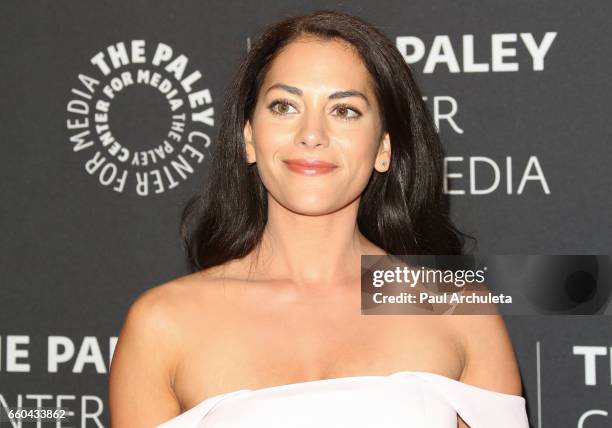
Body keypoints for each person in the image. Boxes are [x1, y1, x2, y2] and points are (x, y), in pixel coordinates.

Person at [109, 9, 529, 428]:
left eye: (344, 111)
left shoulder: (459, 315)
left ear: (384, 147)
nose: (312, 134)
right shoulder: (163, 325)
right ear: (250, 138)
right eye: (284, 106)